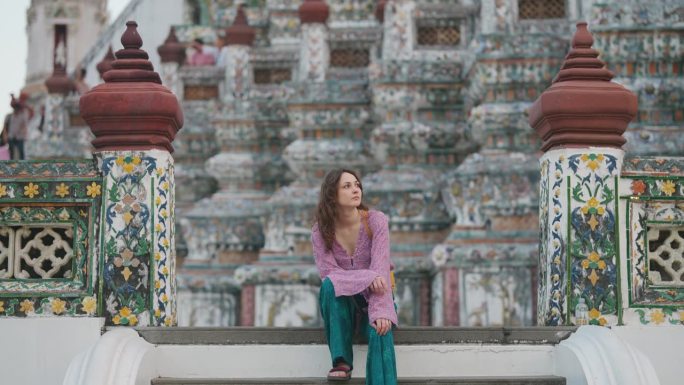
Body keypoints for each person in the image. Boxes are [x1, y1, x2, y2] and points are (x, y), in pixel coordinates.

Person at [311, 169, 397, 384]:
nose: (355, 190)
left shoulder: (376, 221)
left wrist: (381, 312)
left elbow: (381, 271)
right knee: (330, 286)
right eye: (347, 186)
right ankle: (341, 361)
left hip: (376, 297)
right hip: (343, 303)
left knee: (381, 333)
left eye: (357, 185)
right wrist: (367, 277)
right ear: (332, 194)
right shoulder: (320, 231)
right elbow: (328, 273)